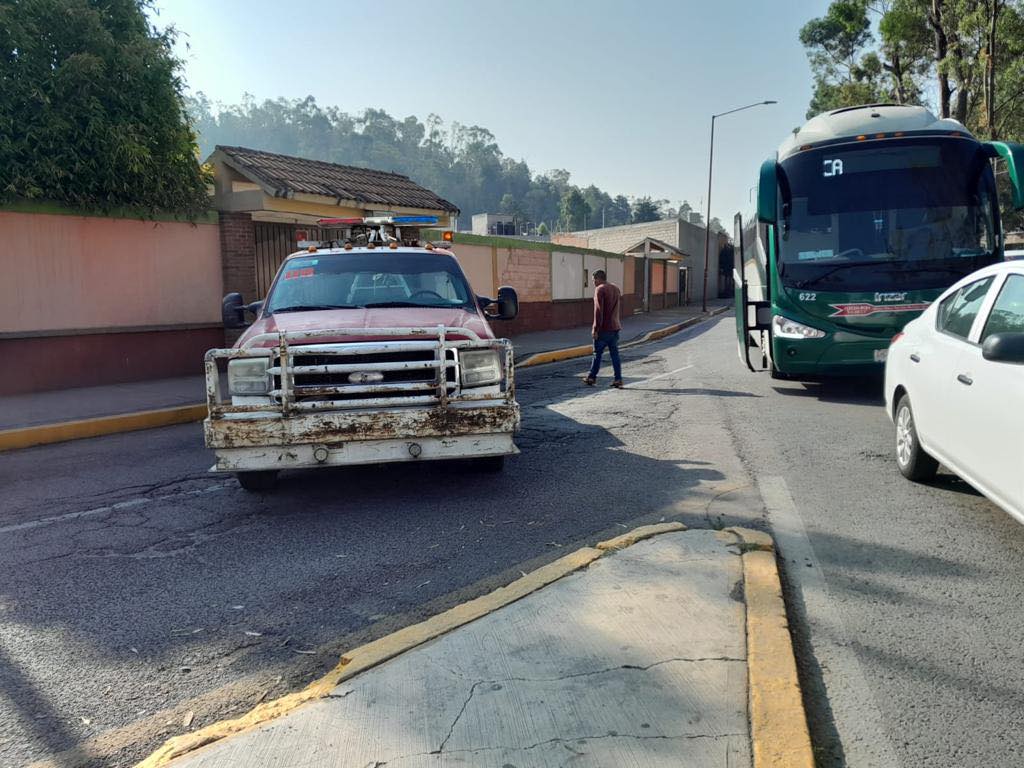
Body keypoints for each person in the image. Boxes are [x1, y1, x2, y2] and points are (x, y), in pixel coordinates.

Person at [585, 269, 623, 388]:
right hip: (615, 327)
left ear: (598, 278)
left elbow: (598, 311)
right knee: (615, 354)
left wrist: (595, 329)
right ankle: (618, 379)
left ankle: (592, 377)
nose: (593, 283)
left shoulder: (600, 289)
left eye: (593, 280)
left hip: (604, 329)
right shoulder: (615, 288)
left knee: (597, 354)